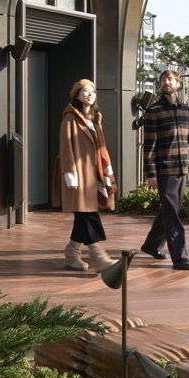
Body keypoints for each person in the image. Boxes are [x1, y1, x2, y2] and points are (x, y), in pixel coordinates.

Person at [139, 68, 189, 270]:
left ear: (178, 84)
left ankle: (151, 245)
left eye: (170, 79)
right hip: (164, 171)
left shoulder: (185, 110)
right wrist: (150, 174)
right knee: (173, 214)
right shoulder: (153, 112)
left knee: (169, 211)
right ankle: (180, 257)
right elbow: (149, 147)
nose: (166, 82)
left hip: (182, 169)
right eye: (163, 79)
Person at [55, 78, 117, 271]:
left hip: (92, 174)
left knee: (83, 215)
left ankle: (71, 255)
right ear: (76, 95)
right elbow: (66, 149)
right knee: (87, 215)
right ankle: (99, 256)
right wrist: (70, 176)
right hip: (77, 174)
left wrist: (106, 173)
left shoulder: (94, 119)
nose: (90, 94)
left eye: (93, 91)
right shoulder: (70, 118)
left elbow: (101, 149)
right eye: (85, 91)